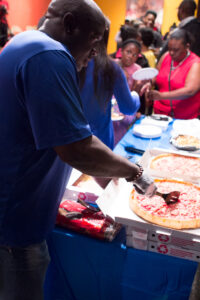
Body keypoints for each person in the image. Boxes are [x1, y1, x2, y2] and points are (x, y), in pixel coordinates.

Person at [0, 0, 157, 299]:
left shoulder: (24, 43)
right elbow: (77, 148)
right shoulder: (50, 54)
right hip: (16, 223)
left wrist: (106, 173)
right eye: (94, 41)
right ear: (69, 25)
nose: (96, 52)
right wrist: (135, 172)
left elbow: (67, 134)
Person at [148, 29, 200, 119]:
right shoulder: (166, 56)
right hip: (160, 113)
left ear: (187, 47)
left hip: (184, 117)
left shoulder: (195, 63)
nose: (171, 53)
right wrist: (148, 83)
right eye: (170, 49)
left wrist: (162, 96)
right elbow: (156, 76)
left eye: (176, 50)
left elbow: (190, 91)